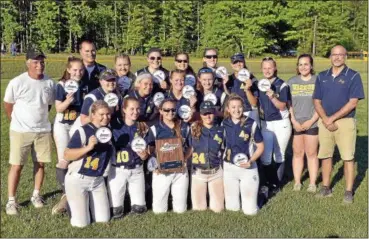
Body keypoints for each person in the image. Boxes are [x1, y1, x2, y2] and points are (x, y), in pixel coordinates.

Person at [3, 47, 55, 215]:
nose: (40, 65)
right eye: (35, 62)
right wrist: (16, 121)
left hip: (43, 130)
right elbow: (8, 105)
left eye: (42, 62)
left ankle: (36, 195)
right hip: (21, 131)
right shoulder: (17, 82)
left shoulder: (49, 82)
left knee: (40, 164)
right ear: (28, 63)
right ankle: (11, 201)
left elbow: (48, 105)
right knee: (17, 165)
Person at [313, 45, 365, 203]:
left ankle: (348, 191)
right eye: (334, 54)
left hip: (345, 122)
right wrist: (325, 119)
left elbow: (353, 103)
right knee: (326, 156)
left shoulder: (353, 76)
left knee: (348, 158)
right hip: (325, 122)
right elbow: (316, 100)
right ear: (330, 56)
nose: (336, 57)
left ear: (345, 56)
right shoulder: (322, 76)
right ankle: (326, 187)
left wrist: (332, 119)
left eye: (340, 55)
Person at [246, 57, 292, 197]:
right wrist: (248, 90)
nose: (267, 70)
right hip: (265, 123)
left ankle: (277, 185)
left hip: (280, 123)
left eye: (270, 67)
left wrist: (272, 97)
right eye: (264, 68)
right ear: (261, 69)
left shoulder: (282, 85)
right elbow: (254, 103)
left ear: (275, 68)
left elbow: (282, 106)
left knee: (279, 155)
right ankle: (268, 183)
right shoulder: (260, 84)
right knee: (265, 157)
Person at [64, 100, 113, 227]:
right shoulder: (83, 131)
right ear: (93, 114)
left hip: (97, 180)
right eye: (101, 114)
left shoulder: (108, 132)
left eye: (108, 114)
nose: (105, 117)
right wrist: (87, 148)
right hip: (78, 178)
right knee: (81, 224)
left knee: (103, 220)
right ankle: (65, 202)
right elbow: (67, 154)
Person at [52, 56, 85, 215]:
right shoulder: (61, 85)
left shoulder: (84, 85)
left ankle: (73, 191)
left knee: (76, 158)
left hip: (76, 125)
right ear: (68, 70)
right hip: (63, 125)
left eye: (80, 69)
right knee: (64, 159)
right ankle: (66, 193)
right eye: (74, 70)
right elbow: (58, 108)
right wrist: (68, 99)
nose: (77, 72)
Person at [222, 94, 264, 215]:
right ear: (228, 109)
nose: (237, 110)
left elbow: (261, 147)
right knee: (232, 209)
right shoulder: (224, 124)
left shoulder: (251, 123)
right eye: (233, 107)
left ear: (243, 107)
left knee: (250, 212)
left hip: (248, 168)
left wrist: (251, 161)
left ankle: (261, 197)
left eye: (239, 107)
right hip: (230, 169)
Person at [108, 97, 150, 218]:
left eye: (138, 109)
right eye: (131, 109)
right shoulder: (114, 126)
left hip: (136, 170)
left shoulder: (142, 126)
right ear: (124, 110)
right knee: (115, 212)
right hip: (117, 170)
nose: (135, 112)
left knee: (139, 209)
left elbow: (146, 153)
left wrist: (144, 155)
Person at [147, 99, 191, 213]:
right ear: (160, 111)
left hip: (180, 171)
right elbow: (149, 150)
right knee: (159, 211)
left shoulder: (185, 127)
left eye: (173, 110)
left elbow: (191, 146)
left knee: (181, 210)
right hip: (161, 172)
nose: (170, 112)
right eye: (166, 110)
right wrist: (154, 165)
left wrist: (185, 159)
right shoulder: (154, 129)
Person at [288, 54, 319, 192]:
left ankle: (312, 183)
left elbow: (321, 104)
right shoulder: (292, 82)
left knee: (311, 153)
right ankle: (297, 182)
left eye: (306, 64)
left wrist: (312, 120)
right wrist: (293, 120)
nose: (303, 67)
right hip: (297, 123)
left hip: (312, 122)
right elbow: (289, 104)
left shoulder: (317, 81)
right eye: (300, 64)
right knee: (298, 153)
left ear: (311, 66)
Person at [189, 101, 225, 212]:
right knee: (199, 210)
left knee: (218, 209)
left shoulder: (221, 130)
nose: (208, 116)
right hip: (198, 173)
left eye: (210, 113)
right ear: (200, 114)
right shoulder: (193, 128)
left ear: (215, 113)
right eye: (205, 113)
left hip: (216, 172)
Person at [223, 53, 259, 121]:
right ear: (231, 65)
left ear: (244, 62)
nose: (238, 64)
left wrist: (247, 89)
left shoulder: (252, 79)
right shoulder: (229, 79)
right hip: (234, 113)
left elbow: (254, 103)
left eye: (240, 61)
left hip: (249, 112)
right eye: (235, 62)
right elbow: (228, 95)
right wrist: (224, 84)